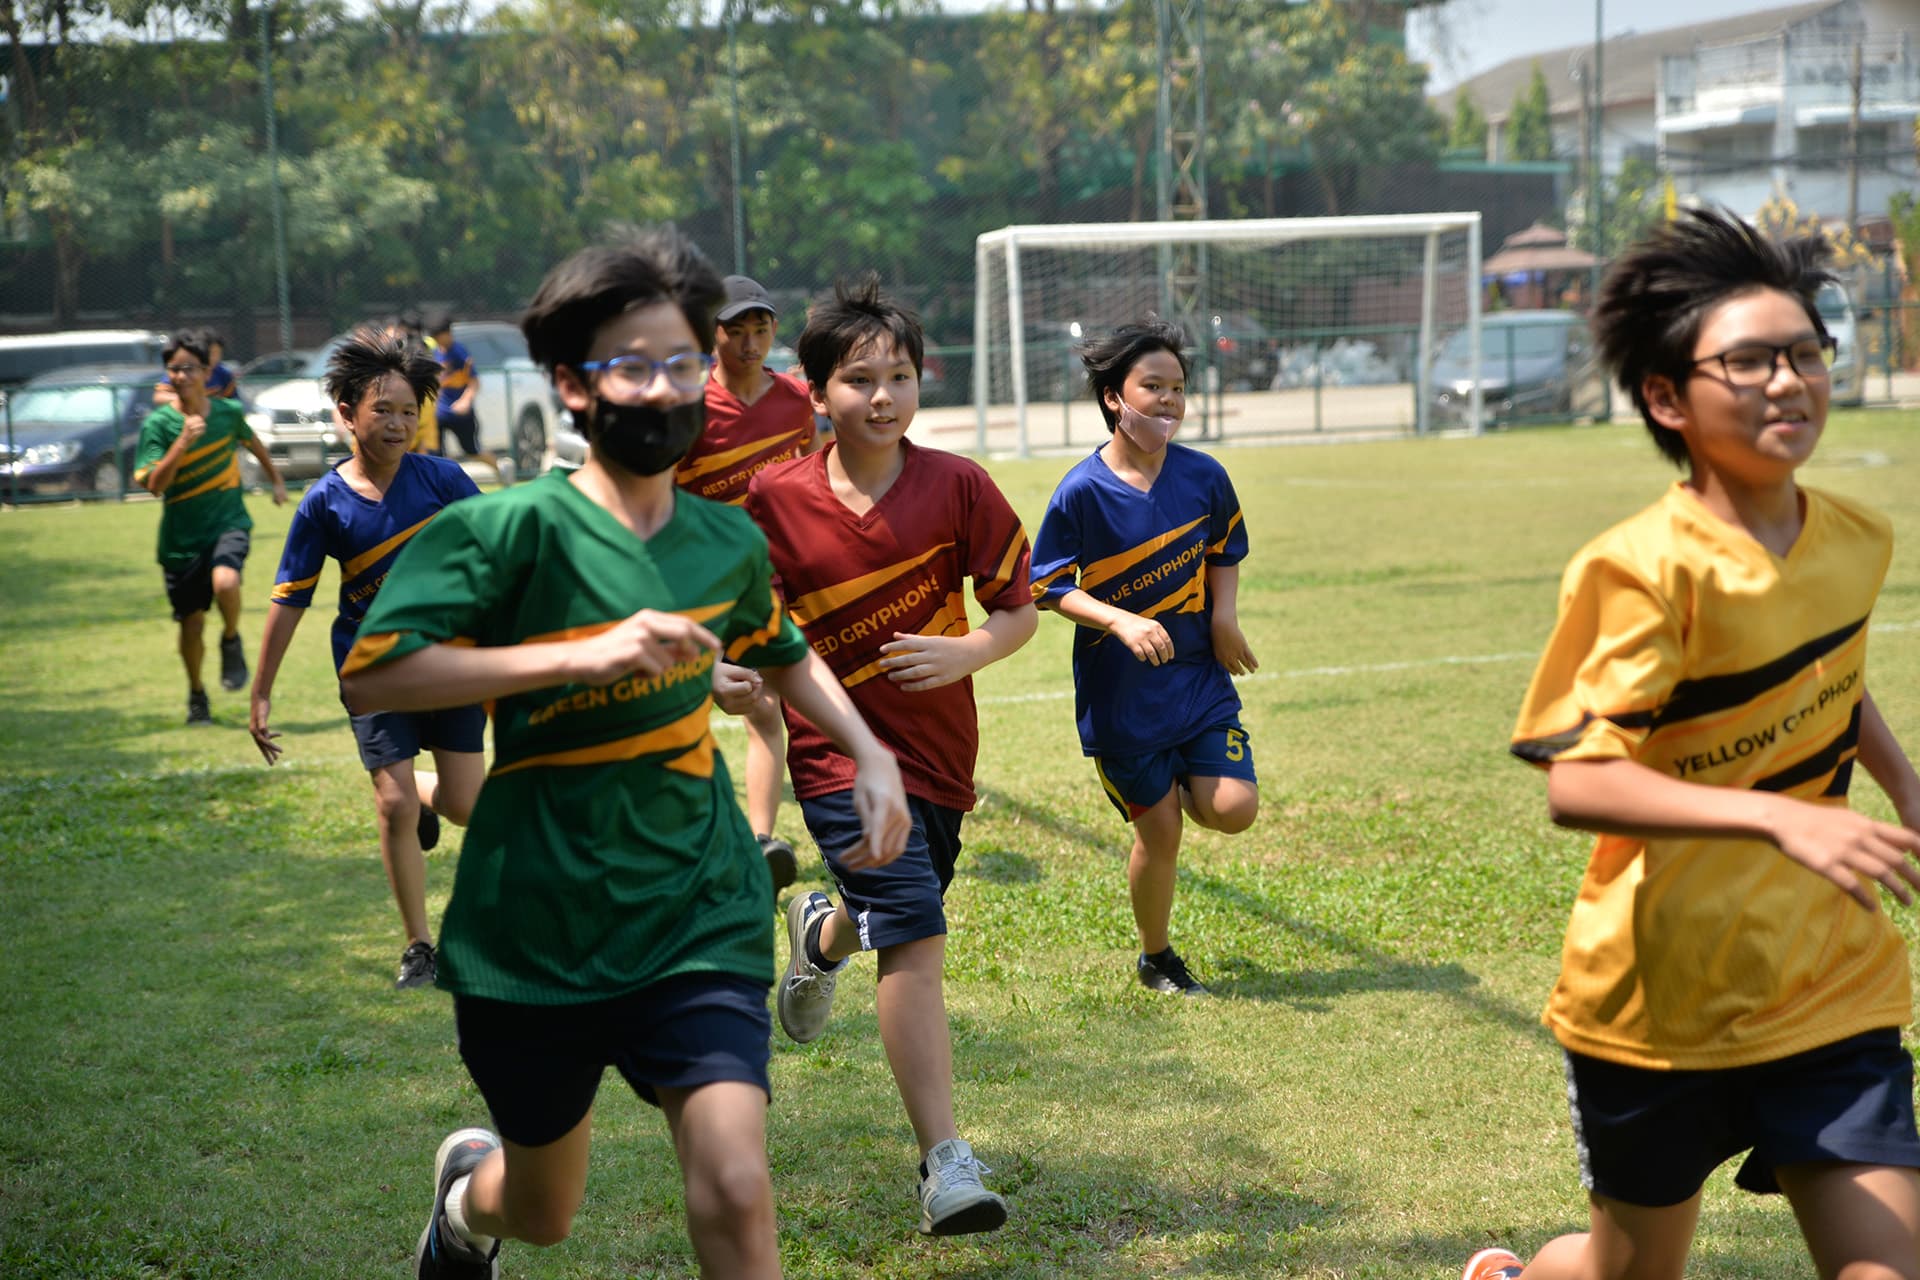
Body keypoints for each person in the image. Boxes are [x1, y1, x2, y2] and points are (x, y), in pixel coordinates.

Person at [338, 229, 911, 1280]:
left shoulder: (726, 541)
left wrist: (868, 752)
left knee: (735, 1184)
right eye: (633, 366)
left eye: (682, 362)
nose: (664, 387)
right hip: (535, 922)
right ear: (572, 386)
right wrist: (581, 652)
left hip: (695, 901)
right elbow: (376, 674)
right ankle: (465, 1205)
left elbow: (784, 654)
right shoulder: (504, 531)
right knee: (544, 1209)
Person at [1466, 207, 1920, 1280]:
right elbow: (1580, 784)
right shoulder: (1639, 568)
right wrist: (1779, 816)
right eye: (1750, 361)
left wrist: (1904, 784)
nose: (1788, 381)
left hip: (1828, 981)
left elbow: (1825, 672)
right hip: (1657, 1007)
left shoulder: (1856, 538)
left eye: (1806, 352)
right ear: (1668, 397)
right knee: (1626, 1272)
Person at [748, 277, 1036, 1237]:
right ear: (816, 392)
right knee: (913, 931)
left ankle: (820, 935)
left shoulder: (959, 485)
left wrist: (968, 652)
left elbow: (1017, 609)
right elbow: (752, 626)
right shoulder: (774, 499)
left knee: (889, 915)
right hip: (839, 760)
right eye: (859, 379)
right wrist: (743, 672)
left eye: (901, 376)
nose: (883, 397)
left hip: (940, 758)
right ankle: (945, 1164)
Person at [1027, 320, 1259, 998]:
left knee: (1235, 808)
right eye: (1152, 386)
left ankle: (1184, 774)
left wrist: (1223, 617)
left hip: (1196, 678)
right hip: (1121, 699)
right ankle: (1157, 957)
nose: (1168, 400)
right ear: (1113, 399)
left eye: (1178, 388)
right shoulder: (1081, 491)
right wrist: (1118, 618)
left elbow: (1224, 549)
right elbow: (1048, 586)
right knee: (1159, 834)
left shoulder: (1204, 476)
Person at [249, 327, 486, 991]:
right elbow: (289, 599)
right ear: (347, 413)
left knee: (467, 805)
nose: (398, 423)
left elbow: (499, 552)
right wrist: (261, 691)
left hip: (450, 663)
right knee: (393, 804)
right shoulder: (324, 502)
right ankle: (419, 946)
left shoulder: (443, 480)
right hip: (374, 673)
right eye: (383, 409)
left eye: (410, 411)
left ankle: (426, 795)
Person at [683, 274, 820, 891]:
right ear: (709, 335)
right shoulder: (687, 412)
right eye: (734, 331)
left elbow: (812, 479)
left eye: (759, 329)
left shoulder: (795, 401)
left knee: (767, 710)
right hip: (706, 590)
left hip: (782, 584)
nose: (749, 343)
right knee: (726, 710)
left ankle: (761, 842)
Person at [134, 330, 288, 724]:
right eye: (174, 369)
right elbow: (154, 485)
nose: (181, 376)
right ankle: (197, 694)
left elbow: (253, 443)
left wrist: (276, 480)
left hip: (227, 521)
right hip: (181, 540)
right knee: (192, 624)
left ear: (207, 371)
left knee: (226, 582)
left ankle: (231, 639)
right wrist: (181, 443)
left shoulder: (227, 413)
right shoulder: (159, 425)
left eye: (189, 368)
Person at [427, 312, 502, 483]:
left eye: (439, 336)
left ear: (448, 333)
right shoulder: (436, 353)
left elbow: (474, 382)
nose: (437, 340)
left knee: (472, 450)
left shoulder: (459, 353)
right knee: (436, 454)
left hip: (460, 414)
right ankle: (442, 487)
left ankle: (502, 470)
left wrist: (465, 401)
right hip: (440, 413)